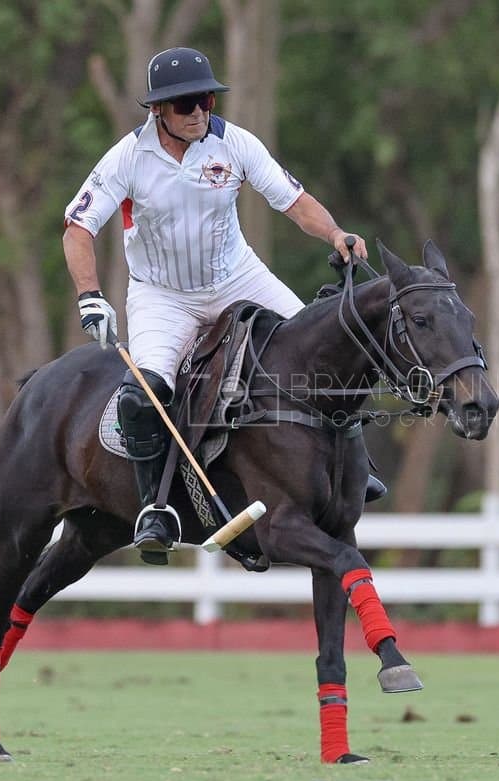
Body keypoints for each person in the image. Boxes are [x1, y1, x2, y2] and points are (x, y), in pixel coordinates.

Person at [62, 46, 384, 562]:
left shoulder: (234, 144)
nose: (199, 112)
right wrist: (90, 297)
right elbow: (78, 228)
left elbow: (292, 200)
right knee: (144, 396)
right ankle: (154, 508)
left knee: (320, 347)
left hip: (238, 277)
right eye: (186, 103)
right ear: (157, 111)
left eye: (206, 100)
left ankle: (352, 469)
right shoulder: (127, 157)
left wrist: (335, 233)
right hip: (161, 295)